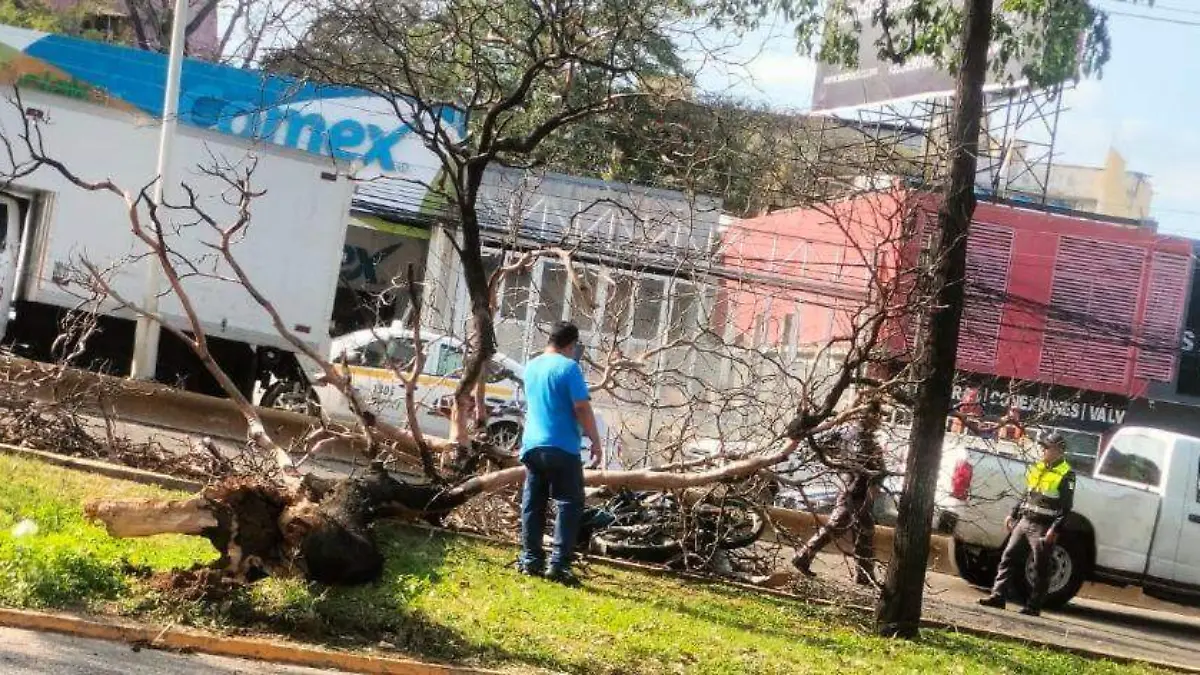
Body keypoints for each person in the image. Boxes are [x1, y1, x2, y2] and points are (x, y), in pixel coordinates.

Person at [518, 321, 603, 585]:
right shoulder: (569, 368)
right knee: (569, 503)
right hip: (561, 445)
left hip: (532, 445)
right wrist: (595, 441)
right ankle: (559, 565)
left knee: (534, 503)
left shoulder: (531, 366)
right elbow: (582, 408)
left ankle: (531, 559)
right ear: (571, 344)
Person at [789, 395, 885, 585]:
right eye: (875, 414)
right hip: (854, 489)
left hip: (857, 488)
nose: (878, 419)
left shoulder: (861, 435)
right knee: (843, 525)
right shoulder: (856, 434)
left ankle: (863, 575)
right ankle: (803, 557)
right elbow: (863, 463)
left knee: (861, 529)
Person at [978, 430, 1075, 616]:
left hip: (1043, 526)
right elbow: (1028, 493)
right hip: (1025, 520)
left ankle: (1034, 606)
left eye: (1046, 447)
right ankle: (998, 596)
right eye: (1043, 447)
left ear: (1057, 450)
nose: (1042, 450)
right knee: (1008, 556)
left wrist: (1054, 529)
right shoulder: (1038, 467)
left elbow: (1066, 507)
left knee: (1041, 566)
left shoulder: (1066, 474)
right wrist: (1013, 513)